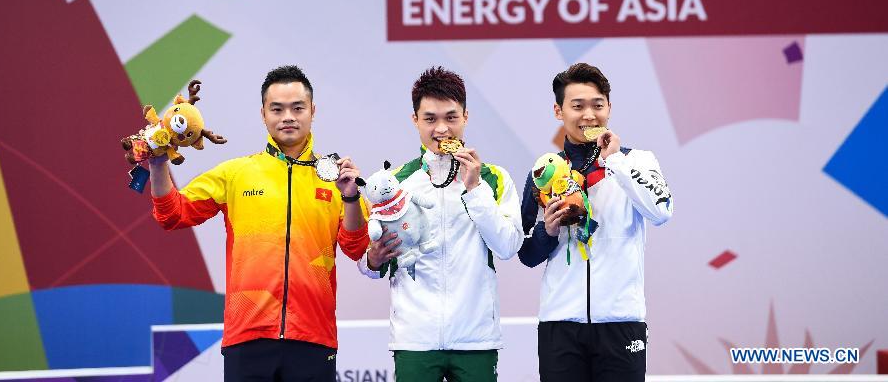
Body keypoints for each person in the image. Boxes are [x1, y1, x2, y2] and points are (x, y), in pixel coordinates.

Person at [149, 65, 369, 382]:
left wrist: (350, 197)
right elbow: (173, 214)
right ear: (263, 114)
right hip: (247, 336)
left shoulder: (338, 181)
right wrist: (158, 164)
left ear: (313, 111)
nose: (288, 117)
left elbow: (357, 247)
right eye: (277, 109)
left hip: (313, 337)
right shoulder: (235, 174)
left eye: (297, 108)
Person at [360, 66, 524, 382]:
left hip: (475, 338)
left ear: (465, 117)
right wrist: (372, 260)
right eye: (430, 119)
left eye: (451, 117)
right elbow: (370, 263)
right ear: (415, 120)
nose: (442, 129)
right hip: (415, 339)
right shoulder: (395, 182)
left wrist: (475, 189)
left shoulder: (493, 178)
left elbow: (507, 247)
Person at [518, 63, 673, 382]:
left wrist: (614, 160)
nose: (589, 115)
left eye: (597, 105)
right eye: (577, 106)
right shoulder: (543, 174)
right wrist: (548, 232)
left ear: (609, 108)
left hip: (621, 323)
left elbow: (661, 212)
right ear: (559, 111)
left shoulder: (637, 161)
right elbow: (526, 254)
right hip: (560, 326)